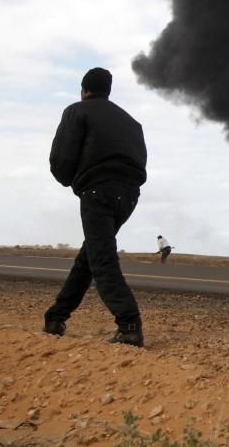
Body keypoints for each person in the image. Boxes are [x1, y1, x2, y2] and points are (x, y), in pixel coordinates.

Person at [44, 68, 148, 347]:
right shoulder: (131, 122)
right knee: (90, 255)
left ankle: (129, 325)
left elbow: (62, 159)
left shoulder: (77, 111)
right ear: (108, 90)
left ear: (84, 89)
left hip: (97, 192)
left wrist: (71, 179)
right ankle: (56, 316)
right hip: (129, 196)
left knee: (101, 260)